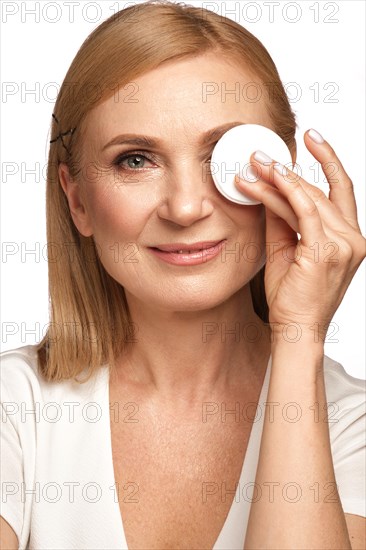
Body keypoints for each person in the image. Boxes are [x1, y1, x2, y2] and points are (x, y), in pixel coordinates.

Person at [1, 0, 365, 548]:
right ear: (76, 200)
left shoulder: (351, 425)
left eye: (224, 154)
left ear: (283, 177)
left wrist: (299, 337)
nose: (186, 208)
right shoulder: (16, 407)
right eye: (136, 160)